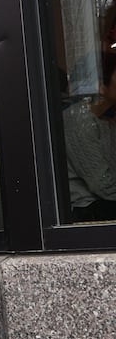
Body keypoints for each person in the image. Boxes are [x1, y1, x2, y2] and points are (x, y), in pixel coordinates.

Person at [64, 52, 116, 222]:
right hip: (88, 212)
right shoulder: (79, 120)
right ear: (101, 85)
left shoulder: (103, 119)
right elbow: (102, 185)